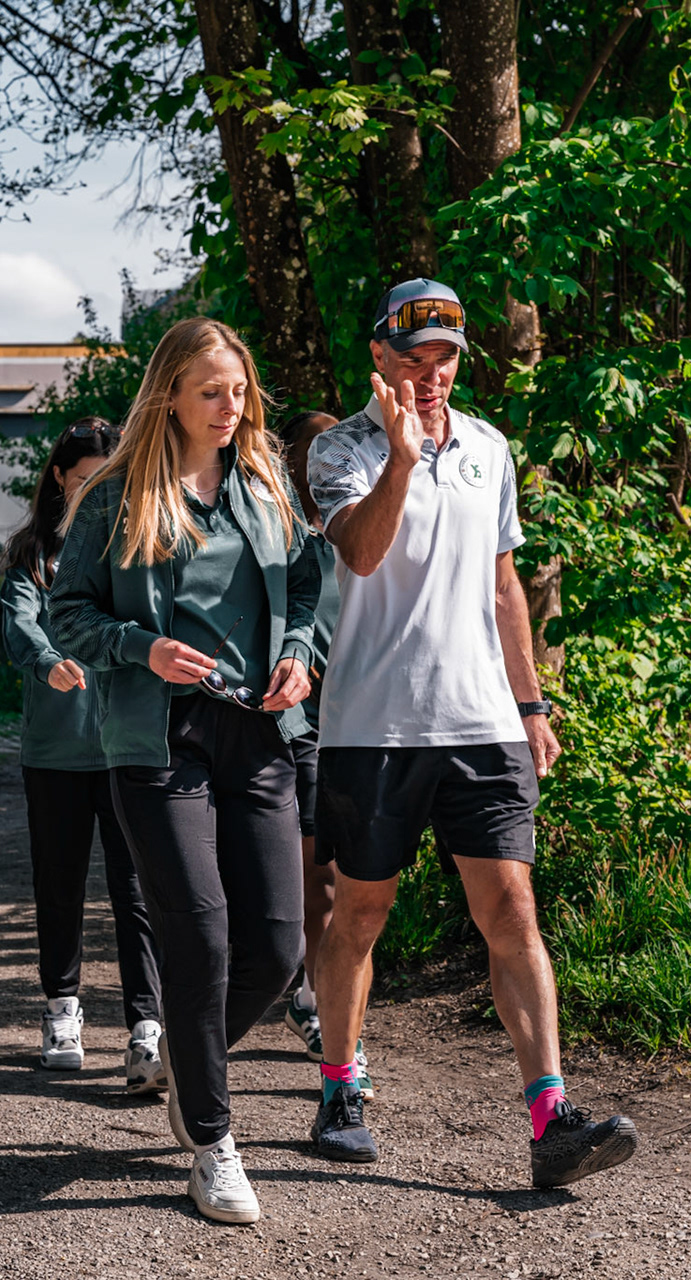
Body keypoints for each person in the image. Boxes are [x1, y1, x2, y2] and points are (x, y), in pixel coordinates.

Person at [304, 279, 639, 1189]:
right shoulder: (340, 452)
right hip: (371, 729)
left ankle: (551, 1118)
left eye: (446, 356)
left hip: (481, 724)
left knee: (513, 913)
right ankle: (340, 1088)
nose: (432, 373)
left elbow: (503, 590)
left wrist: (531, 707)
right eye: (414, 358)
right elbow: (363, 552)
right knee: (361, 914)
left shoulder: (491, 447)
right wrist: (404, 460)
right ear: (380, 357)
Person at [50, 316, 320, 1225]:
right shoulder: (119, 496)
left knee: (278, 948)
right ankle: (213, 1141)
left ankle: (187, 1059)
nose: (230, 407)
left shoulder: (264, 478)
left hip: (259, 736)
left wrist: (297, 653)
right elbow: (69, 614)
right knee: (199, 940)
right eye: (212, 391)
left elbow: (309, 583)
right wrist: (142, 647)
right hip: (157, 741)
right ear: (170, 391)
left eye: (239, 390)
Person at [0, 418, 165, 1093]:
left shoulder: (142, 545)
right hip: (57, 753)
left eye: (108, 474)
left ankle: (147, 1028)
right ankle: (62, 1012)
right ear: (60, 480)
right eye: (84, 475)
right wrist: (47, 661)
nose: (97, 486)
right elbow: (20, 625)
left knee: (139, 891)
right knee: (59, 884)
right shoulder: (35, 556)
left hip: (128, 747)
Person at [272, 410, 371, 1097]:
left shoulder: (367, 531)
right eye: (311, 458)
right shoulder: (283, 541)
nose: (322, 469)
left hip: (361, 724)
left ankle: (326, 1009)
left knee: (343, 884)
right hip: (299, 724)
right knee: (313, 879)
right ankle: (306, 994)